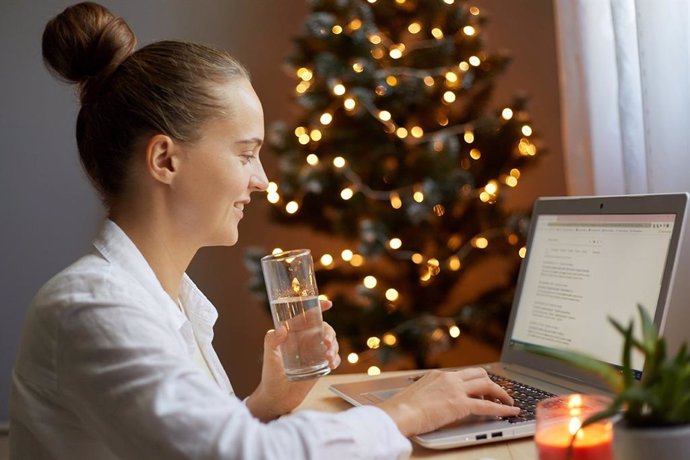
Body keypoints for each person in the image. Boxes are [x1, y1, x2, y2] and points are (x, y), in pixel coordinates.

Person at [9, 2, 521, 459]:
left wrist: (265, 403)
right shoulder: (93, 308)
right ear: (165, 159)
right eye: (245, 153)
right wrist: (409, 412)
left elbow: (188, 446)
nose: (261, 180)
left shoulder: (167, 302)